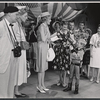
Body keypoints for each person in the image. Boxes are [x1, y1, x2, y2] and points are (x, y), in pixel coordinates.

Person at [0, 6, 19, 98]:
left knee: (11, 83)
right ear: (9, 14)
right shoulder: (0, 26)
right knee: (3, 86)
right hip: (4, 59)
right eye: (16, 14)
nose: (17, 16)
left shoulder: (12, 26)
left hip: (12, 58)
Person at [13, 8, 28, 97]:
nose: (26, 18)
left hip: (21, 50)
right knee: (16, 71)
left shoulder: (20, 24)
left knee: (19, 70)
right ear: (19, 15)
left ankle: (16, 90)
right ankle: (13, 91)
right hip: (18, 50)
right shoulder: (15, 24)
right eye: (25, 16)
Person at [36, 12, 51, 93]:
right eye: (50, 18)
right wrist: (50, 37)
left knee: (44, 67)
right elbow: (43, 38)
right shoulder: (42, 26)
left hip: (45, 46)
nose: (51, 20)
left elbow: (48, 38)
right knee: (41, 68)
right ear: (45, 19)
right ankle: (39, 86)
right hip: (41, 46)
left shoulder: (46, 26)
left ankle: (42, 85)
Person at [52, 21, 70, 87]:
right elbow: (50, 38)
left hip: (66, 51)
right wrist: (55, 44)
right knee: (60, 67)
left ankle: (64, 81)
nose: (65, 27)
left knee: (65, 67)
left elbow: (72, 40)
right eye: (64, 26)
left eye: (66, 26)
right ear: (61, 26)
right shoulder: (58, 33)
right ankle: (60, 80)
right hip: (59, 51)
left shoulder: (69, 33)